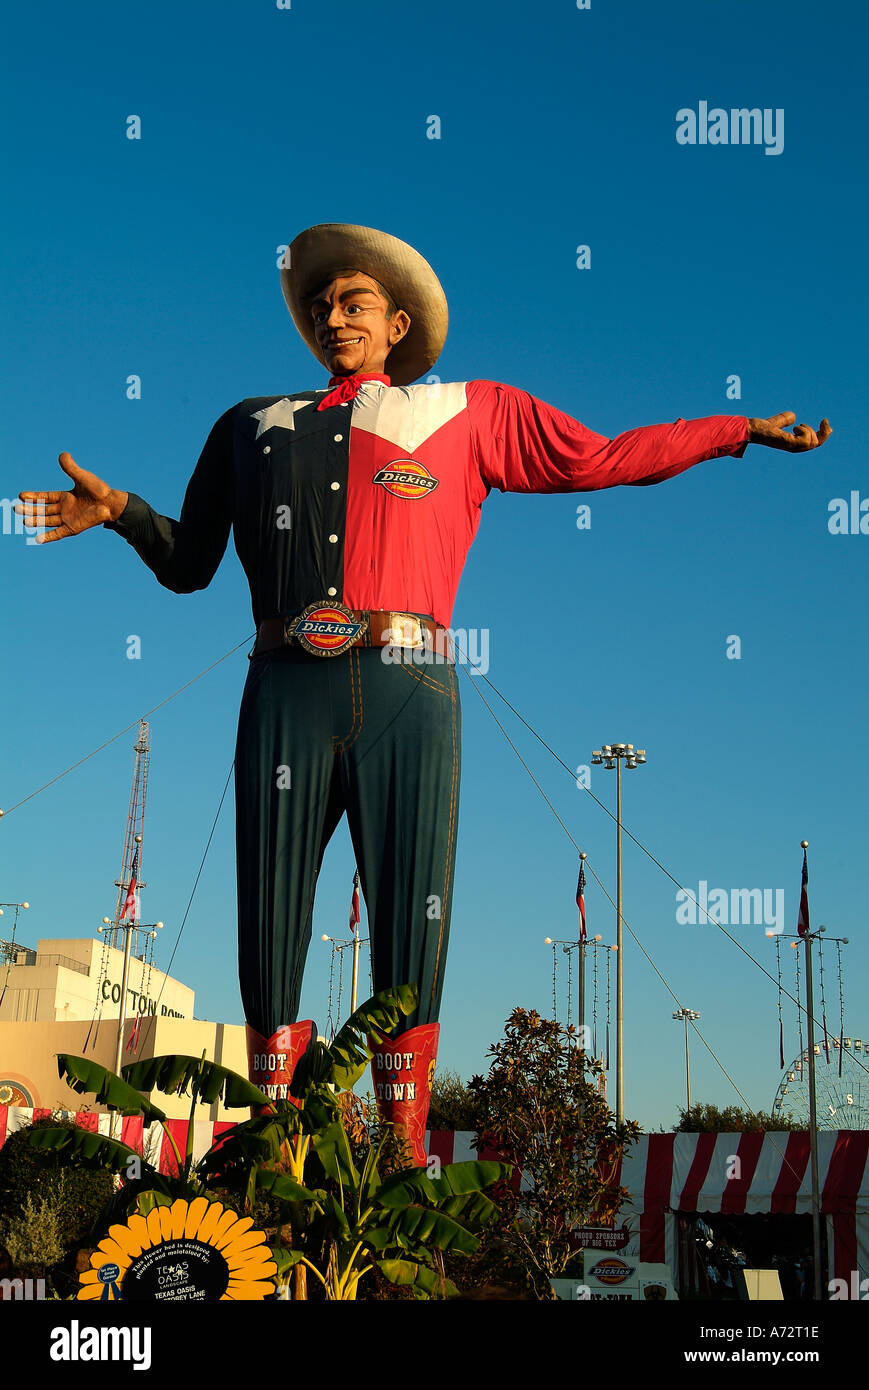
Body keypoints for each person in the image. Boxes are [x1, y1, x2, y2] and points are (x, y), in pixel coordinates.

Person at [17, 223, 832, 1164]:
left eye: (353, 303)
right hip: (283, 686)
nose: (333, 317)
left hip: (412, 685)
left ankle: (401, 1166)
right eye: (321, 305)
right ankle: (277, 1148)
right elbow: (191, 564)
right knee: (268, 918)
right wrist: (121, 512)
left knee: (413, 919)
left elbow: (600, 458)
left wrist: (734, 431)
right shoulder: (247, 425)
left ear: (399, 323)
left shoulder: (468, 411)